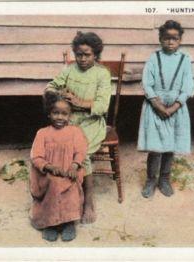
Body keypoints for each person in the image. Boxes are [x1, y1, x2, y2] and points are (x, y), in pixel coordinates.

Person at [45, 31, 111, 223]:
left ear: (96, 55)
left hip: (91, 123)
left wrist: (78, 101)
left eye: (87, 55)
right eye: (79, 54)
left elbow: (102, 106)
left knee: (80, 154)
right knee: (57, 149)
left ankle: (88, 201)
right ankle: (63, 196)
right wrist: (55, 93)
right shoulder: (69, 70)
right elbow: (51, 85)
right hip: (69, 120)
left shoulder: (102, 74)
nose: (82, 59)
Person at [137, 20, 194, 198]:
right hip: (155, 106)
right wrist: (158, 105)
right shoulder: (154, 58)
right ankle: (150, 180)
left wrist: (174, 106)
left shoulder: (185, 60)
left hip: (176, 108)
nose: (170, 42)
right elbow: (147, 83)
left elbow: (188, 86)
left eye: (175, 39)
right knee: (155, 147)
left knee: (170, 146)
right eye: (166, 38)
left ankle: (164, 179)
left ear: (180, 40)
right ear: (160, 39)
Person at [30, 93, 88, 241]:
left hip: (69, 171)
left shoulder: (75, 132)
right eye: (56, 113)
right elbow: (36, 156)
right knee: (54, 185)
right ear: (49, 114)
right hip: (49, 174)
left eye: (64, 114)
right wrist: (48, 166)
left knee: (71, 189)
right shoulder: (42, 133)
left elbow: (81, 151)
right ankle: (51, 223)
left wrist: (74, 167)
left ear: (70, 116)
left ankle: (68, 222)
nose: (60, 117)